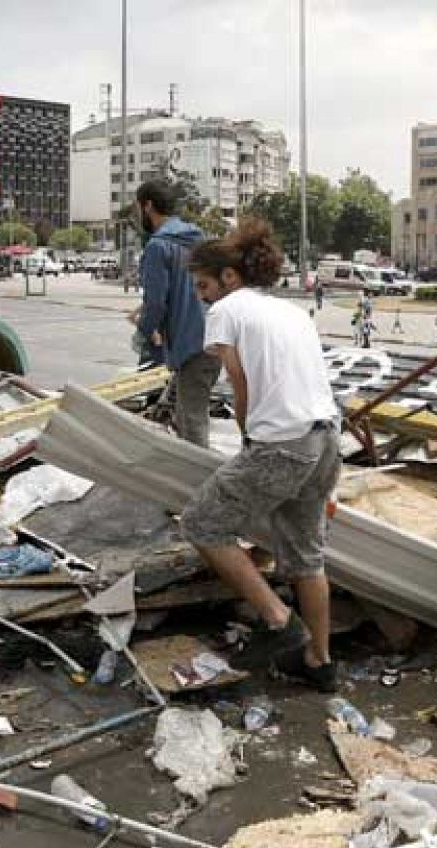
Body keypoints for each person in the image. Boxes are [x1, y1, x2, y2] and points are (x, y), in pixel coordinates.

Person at [177, 220, 341, 692]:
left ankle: (277, 620)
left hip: (283, 443)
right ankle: (319, 662)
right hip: (326, 439)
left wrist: (249, 436)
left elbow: (239, 378)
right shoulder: (289, 311)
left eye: (204, 285)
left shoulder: (228, 310)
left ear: (229, 277)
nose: (203, 296)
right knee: (307, 556)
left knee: (202, 524)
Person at [135, 180, 220, 447]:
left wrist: (144, 334)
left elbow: (156, 303)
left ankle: (198, 484)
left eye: (138, 208)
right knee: (187, 414)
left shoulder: (157, 247)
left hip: (190, 344)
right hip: (214, 336)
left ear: (147, 206)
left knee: (192, 423)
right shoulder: (198, 239)